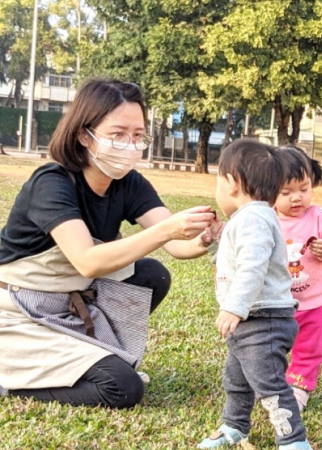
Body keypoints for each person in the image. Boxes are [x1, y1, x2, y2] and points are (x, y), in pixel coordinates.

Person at [0, 78, 216, 408]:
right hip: (21, 309)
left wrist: (205, 237)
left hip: (69, 302)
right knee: (120, 387)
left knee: (151, 275)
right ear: (84, 134)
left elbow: (178, 247)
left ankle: (88, 351)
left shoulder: (128, 183)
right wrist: (167, 230)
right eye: (118, 134)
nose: (130, 145)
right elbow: (89, 261)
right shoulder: (52, 183)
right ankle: (11, 380)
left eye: (138, 136)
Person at [196, 140, 313, 450]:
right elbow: (234, 258)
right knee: (236, 379)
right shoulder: (249, 218)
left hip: (263, 320)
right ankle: (235, 426)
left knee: (270, 386)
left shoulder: (254, 219)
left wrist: (234, 307)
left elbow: (253, 266)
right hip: (250, 321)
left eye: (218, 180)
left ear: (232, 182)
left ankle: (296, 445)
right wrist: (216, 238)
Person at [276, 146, 322, 411]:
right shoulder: (267, 217)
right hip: (277, 302)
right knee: (271, 346)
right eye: (286, 192)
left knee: (309, 348)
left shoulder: (319, 216)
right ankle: (270, 382)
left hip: (315, 303)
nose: (297, 198)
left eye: (304, 189)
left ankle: (298, 387)